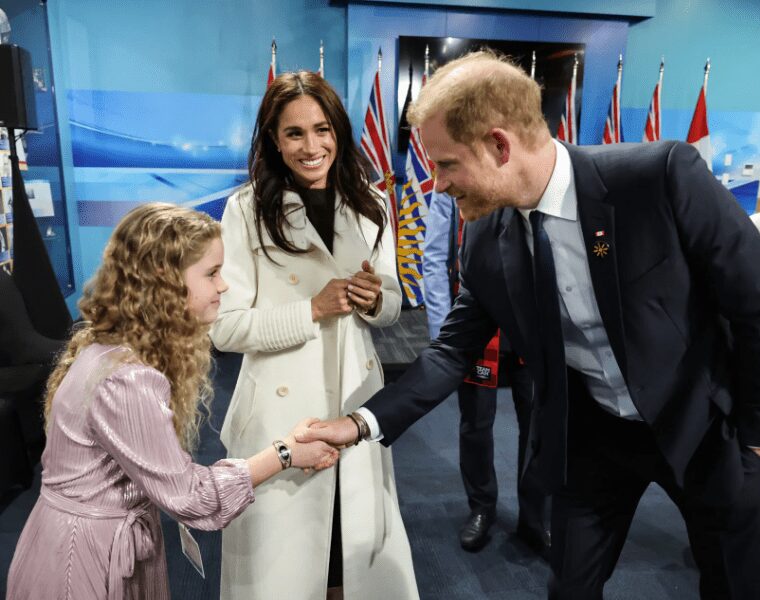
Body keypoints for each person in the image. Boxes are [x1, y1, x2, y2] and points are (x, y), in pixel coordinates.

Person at [299, 50, 760, 599]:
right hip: (594, 440)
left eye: (446, 164)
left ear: (500, 145)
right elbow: (452, 351)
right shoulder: (485, 240)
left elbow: (752, 303)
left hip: (706, 429)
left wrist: (755, 433)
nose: (437, 185)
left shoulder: (658, 177)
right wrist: (359, 423)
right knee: (568, 589)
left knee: (733, 583)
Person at [6, 203, 339, 600]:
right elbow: (191, 497)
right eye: (212, 273)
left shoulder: (111, 350)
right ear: (165, 282)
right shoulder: (128, 378)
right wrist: (285, 453)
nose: (223, 286)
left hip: (77, 543)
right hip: (84, 561)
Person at [209, 71, 419, 600]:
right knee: (286, 568)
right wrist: (311, 310)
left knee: (352, 561)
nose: (311, 146)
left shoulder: (371, 203)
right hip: (281, 420)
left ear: (338, 132)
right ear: (274, 140)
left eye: (322, 129)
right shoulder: (246, 209)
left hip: (354, 404)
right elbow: (225, 328)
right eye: (294, 133)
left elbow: (392, 302)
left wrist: (376, 300)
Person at [423, 190, 548, 552]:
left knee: (538, 426)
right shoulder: (456, 185)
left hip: (531, 326)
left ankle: (535, 517)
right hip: (477, 328)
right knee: (476, 425)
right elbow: (434, 259)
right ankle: (481, 508)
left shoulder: (531, 181)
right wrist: (445, 335)